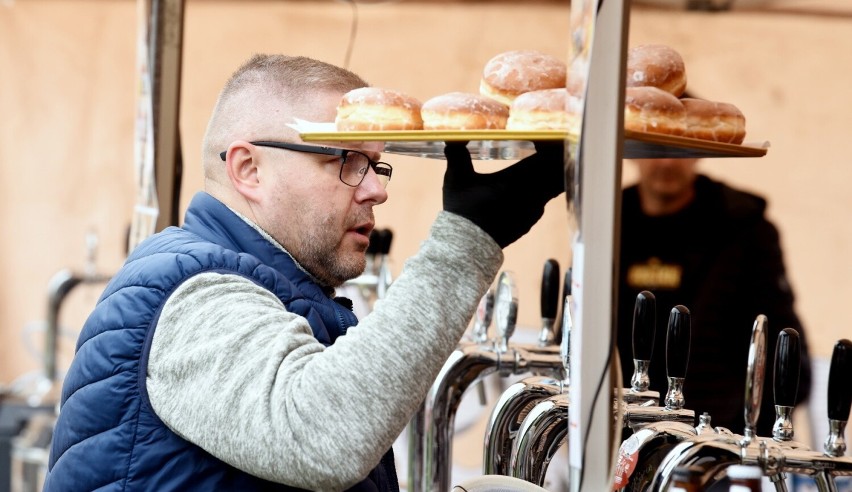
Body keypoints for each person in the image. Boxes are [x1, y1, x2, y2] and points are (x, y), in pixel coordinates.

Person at [43, 54, 565, 491]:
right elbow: (321, 434)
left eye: (376, 164)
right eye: (345, 160)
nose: (377, 189)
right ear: (248, 169)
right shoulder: (191, 292)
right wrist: (466, 240)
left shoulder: (279, 289)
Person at [616, 157, 812, 437]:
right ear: (634, 151)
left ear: (699, 152)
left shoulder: (743, 229)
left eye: (680, 150)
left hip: (714, 436)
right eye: (656, 149)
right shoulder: (609, 224)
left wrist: (750, 433)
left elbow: (778, 337)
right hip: (620, 428)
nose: (667, 162)